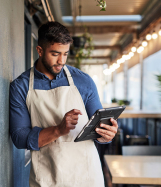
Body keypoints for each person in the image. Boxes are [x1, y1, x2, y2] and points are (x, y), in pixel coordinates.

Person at [9, 21, 118, 187]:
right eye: (55, 54)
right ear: (39, 50)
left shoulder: (84, 81)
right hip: (46, 176)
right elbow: (19, 137)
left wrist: (107, 134)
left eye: (65, 54)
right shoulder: (21, 86)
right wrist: (58, 130)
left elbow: (99, 127)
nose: (61, 61)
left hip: (87, 176)